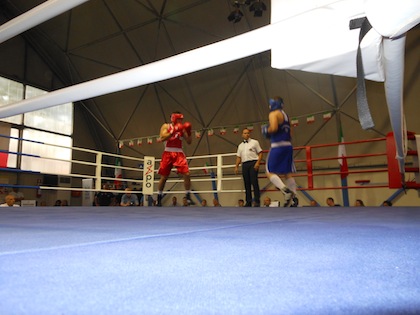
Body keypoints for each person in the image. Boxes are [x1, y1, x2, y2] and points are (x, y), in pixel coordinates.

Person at [261, 97, 298, 207]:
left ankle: (285, 191)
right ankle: (294, 199)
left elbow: (274, 128)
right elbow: (291, 134)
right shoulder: (286, 115)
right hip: (288, 146)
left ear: (273, 103)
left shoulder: (273, 114)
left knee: (269, 171)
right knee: (287, 173)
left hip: (278, 146)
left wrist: (266, 130)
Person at [156, 111, 193, 206]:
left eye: (182, 119)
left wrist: (189, 132)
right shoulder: (166, 126)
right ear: (174, 118)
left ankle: (188, 196)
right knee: (164, 177)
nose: (181, 121)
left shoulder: (182, 128)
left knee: (187, 174)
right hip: (168, 152)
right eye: (179, 119)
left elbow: (189, 142)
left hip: (179, 152)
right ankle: (159, 197)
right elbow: (162, 137)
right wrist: (173, 131)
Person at [235, 128, 263, 207]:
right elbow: (238, 157)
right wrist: (236, 166)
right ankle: (248, 201)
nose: (246, 134)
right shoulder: (240, 146)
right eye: (245, 133)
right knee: (246, 183)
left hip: (253, 162)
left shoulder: (255, 142)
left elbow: (260, 153)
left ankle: (257, 201)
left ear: (249, 134)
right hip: (245, 164)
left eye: (247, 133)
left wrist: (258, 163)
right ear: (242, 135)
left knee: (254, 182)